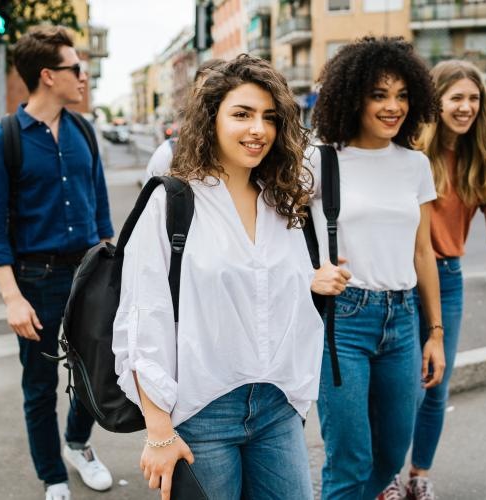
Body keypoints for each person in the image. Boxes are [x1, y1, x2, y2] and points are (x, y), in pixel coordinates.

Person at [112, 54, 346, 500]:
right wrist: (159, 430)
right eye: (242, 114)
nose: (258, 129)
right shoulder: (171, 203)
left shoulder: (282, 204)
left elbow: (277, 291)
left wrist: (312, 282)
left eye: (269, 118)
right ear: (211, 119)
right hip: (202, 411)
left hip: (277, 408)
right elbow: (144, 317)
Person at [380, 59, 486, 500]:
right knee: (406, 389)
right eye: (457, 97)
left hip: (448, 279)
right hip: (401, 278)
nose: (466, 107)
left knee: (436, 385)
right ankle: (387, 479)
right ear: (436, 101)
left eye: (474, 98)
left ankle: (419, 475)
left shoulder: (484, 155)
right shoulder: (409, 148)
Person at [0, 26, 113, 500]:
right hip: (36, 278)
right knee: (39, 386)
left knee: (100, 372)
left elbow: (100, 212)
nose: (85, 77)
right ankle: (53, 475)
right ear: (48, 75)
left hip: (89, 271)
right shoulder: (2, 140)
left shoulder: (84, 132)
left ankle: (78, 444)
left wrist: (115, 273)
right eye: (77, 68)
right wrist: (12, 298)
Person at [307, 36, 446, 500]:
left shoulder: (415, 164)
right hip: (343, 321)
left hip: (403, 320)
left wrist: (436, 333)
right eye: (380, 95)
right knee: (350, 460)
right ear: (353, 97)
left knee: (390, 454)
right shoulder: (320, 160)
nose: (394, 107)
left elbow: (423, 252)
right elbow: (278, 237)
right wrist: (309, 272)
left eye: (403, 95)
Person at [144, 58, 226, 179]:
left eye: (220, 93)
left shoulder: (247, 154)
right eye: (205, 93)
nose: (212, 101)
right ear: (194, 97)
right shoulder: (168, 155)